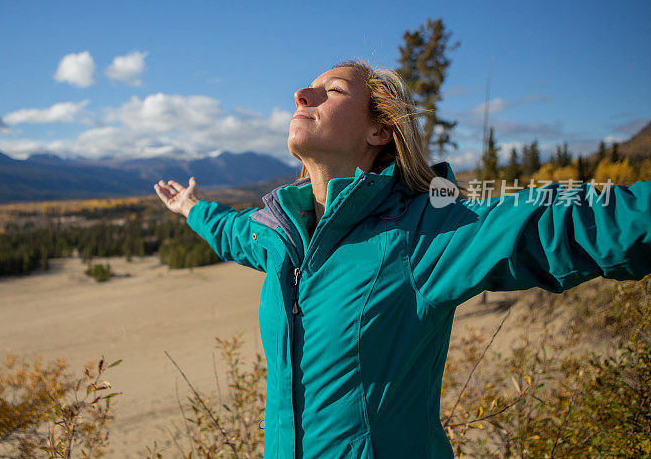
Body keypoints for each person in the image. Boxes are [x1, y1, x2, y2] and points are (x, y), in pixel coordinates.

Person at [154, 60, 651, 458]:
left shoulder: (424, 232)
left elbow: (560, 222)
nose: (302, 96)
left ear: (379, 133)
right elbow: (232, 232)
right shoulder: (280, 237)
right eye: (307, 89)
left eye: (334, 91)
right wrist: (191, 208)